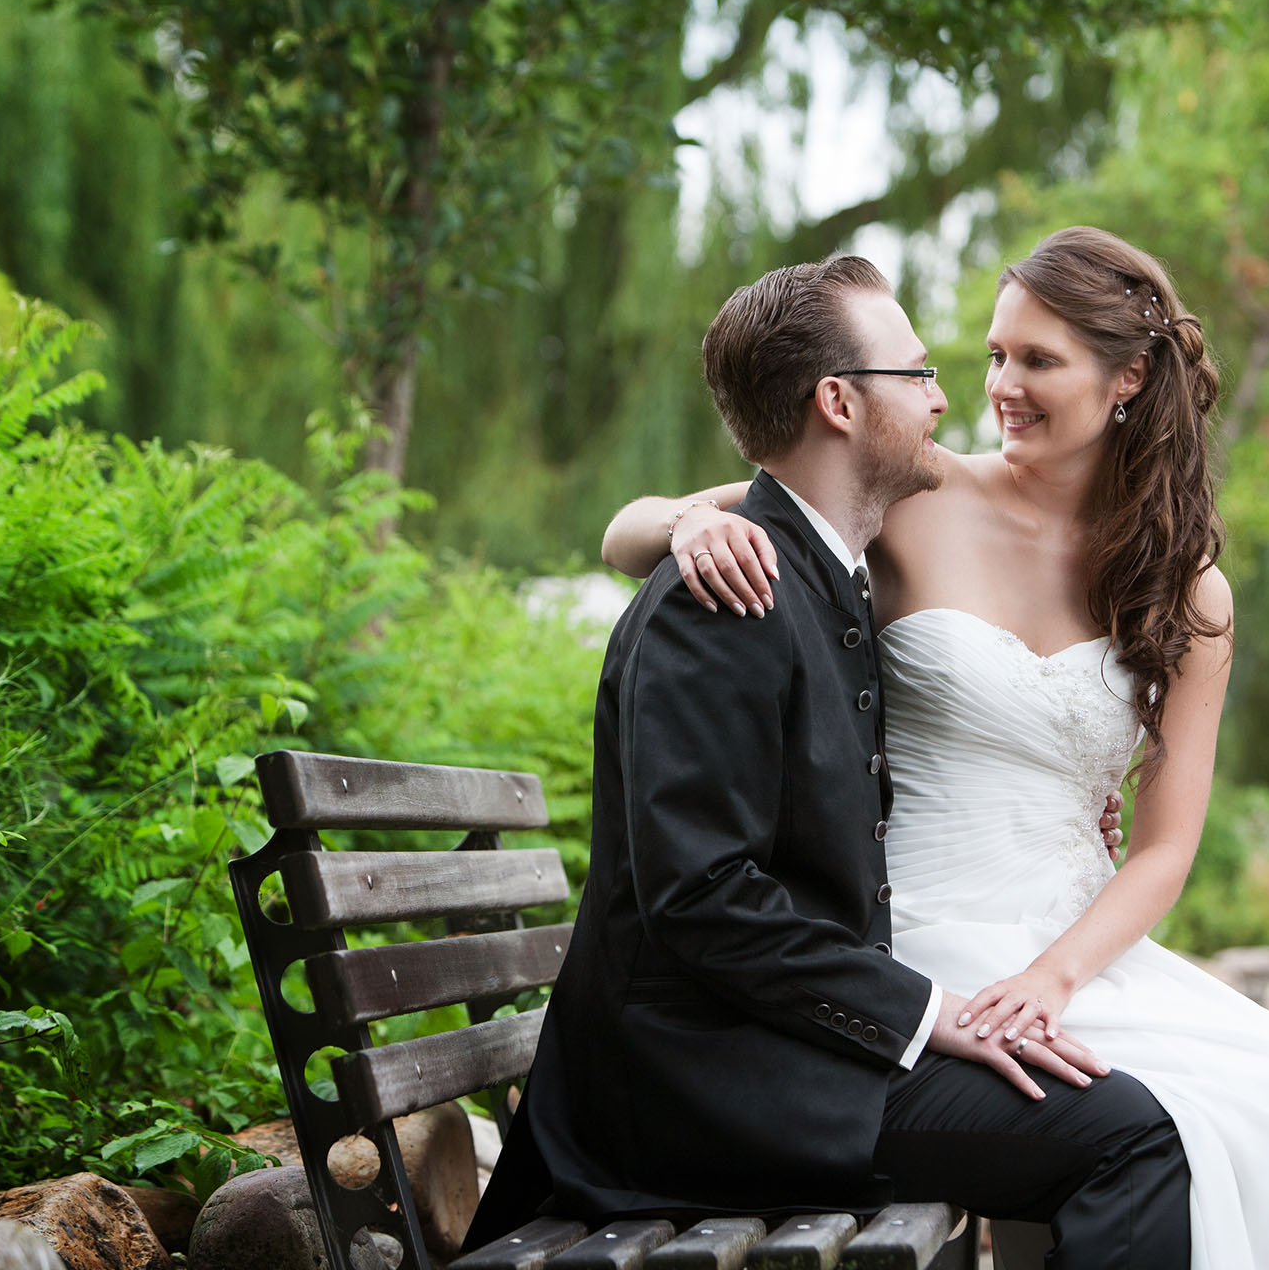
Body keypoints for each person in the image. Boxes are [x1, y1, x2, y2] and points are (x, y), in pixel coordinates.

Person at [598, 227, 1269, 1270]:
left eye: (1037, 359)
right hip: (918, 934)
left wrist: (1057, 973)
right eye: (993, 354)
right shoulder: (918, 491)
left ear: (1128, 377)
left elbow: (1165, 849)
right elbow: (653, 526)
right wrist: (682, 524)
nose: (1001, 385)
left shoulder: (1188, 590)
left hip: (1076, 951)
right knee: (1147, 1128)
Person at [468, 253, 1194, 1268]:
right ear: (841, 402)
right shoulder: (721, 598)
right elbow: (703, 897)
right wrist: (929, 1011)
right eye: (924, 370)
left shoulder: (824, 578)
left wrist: (1068, 801)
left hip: (779, 1046)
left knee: (1116, 1113)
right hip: (698, 1091)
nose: (953, 397)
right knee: (1124, 1134)